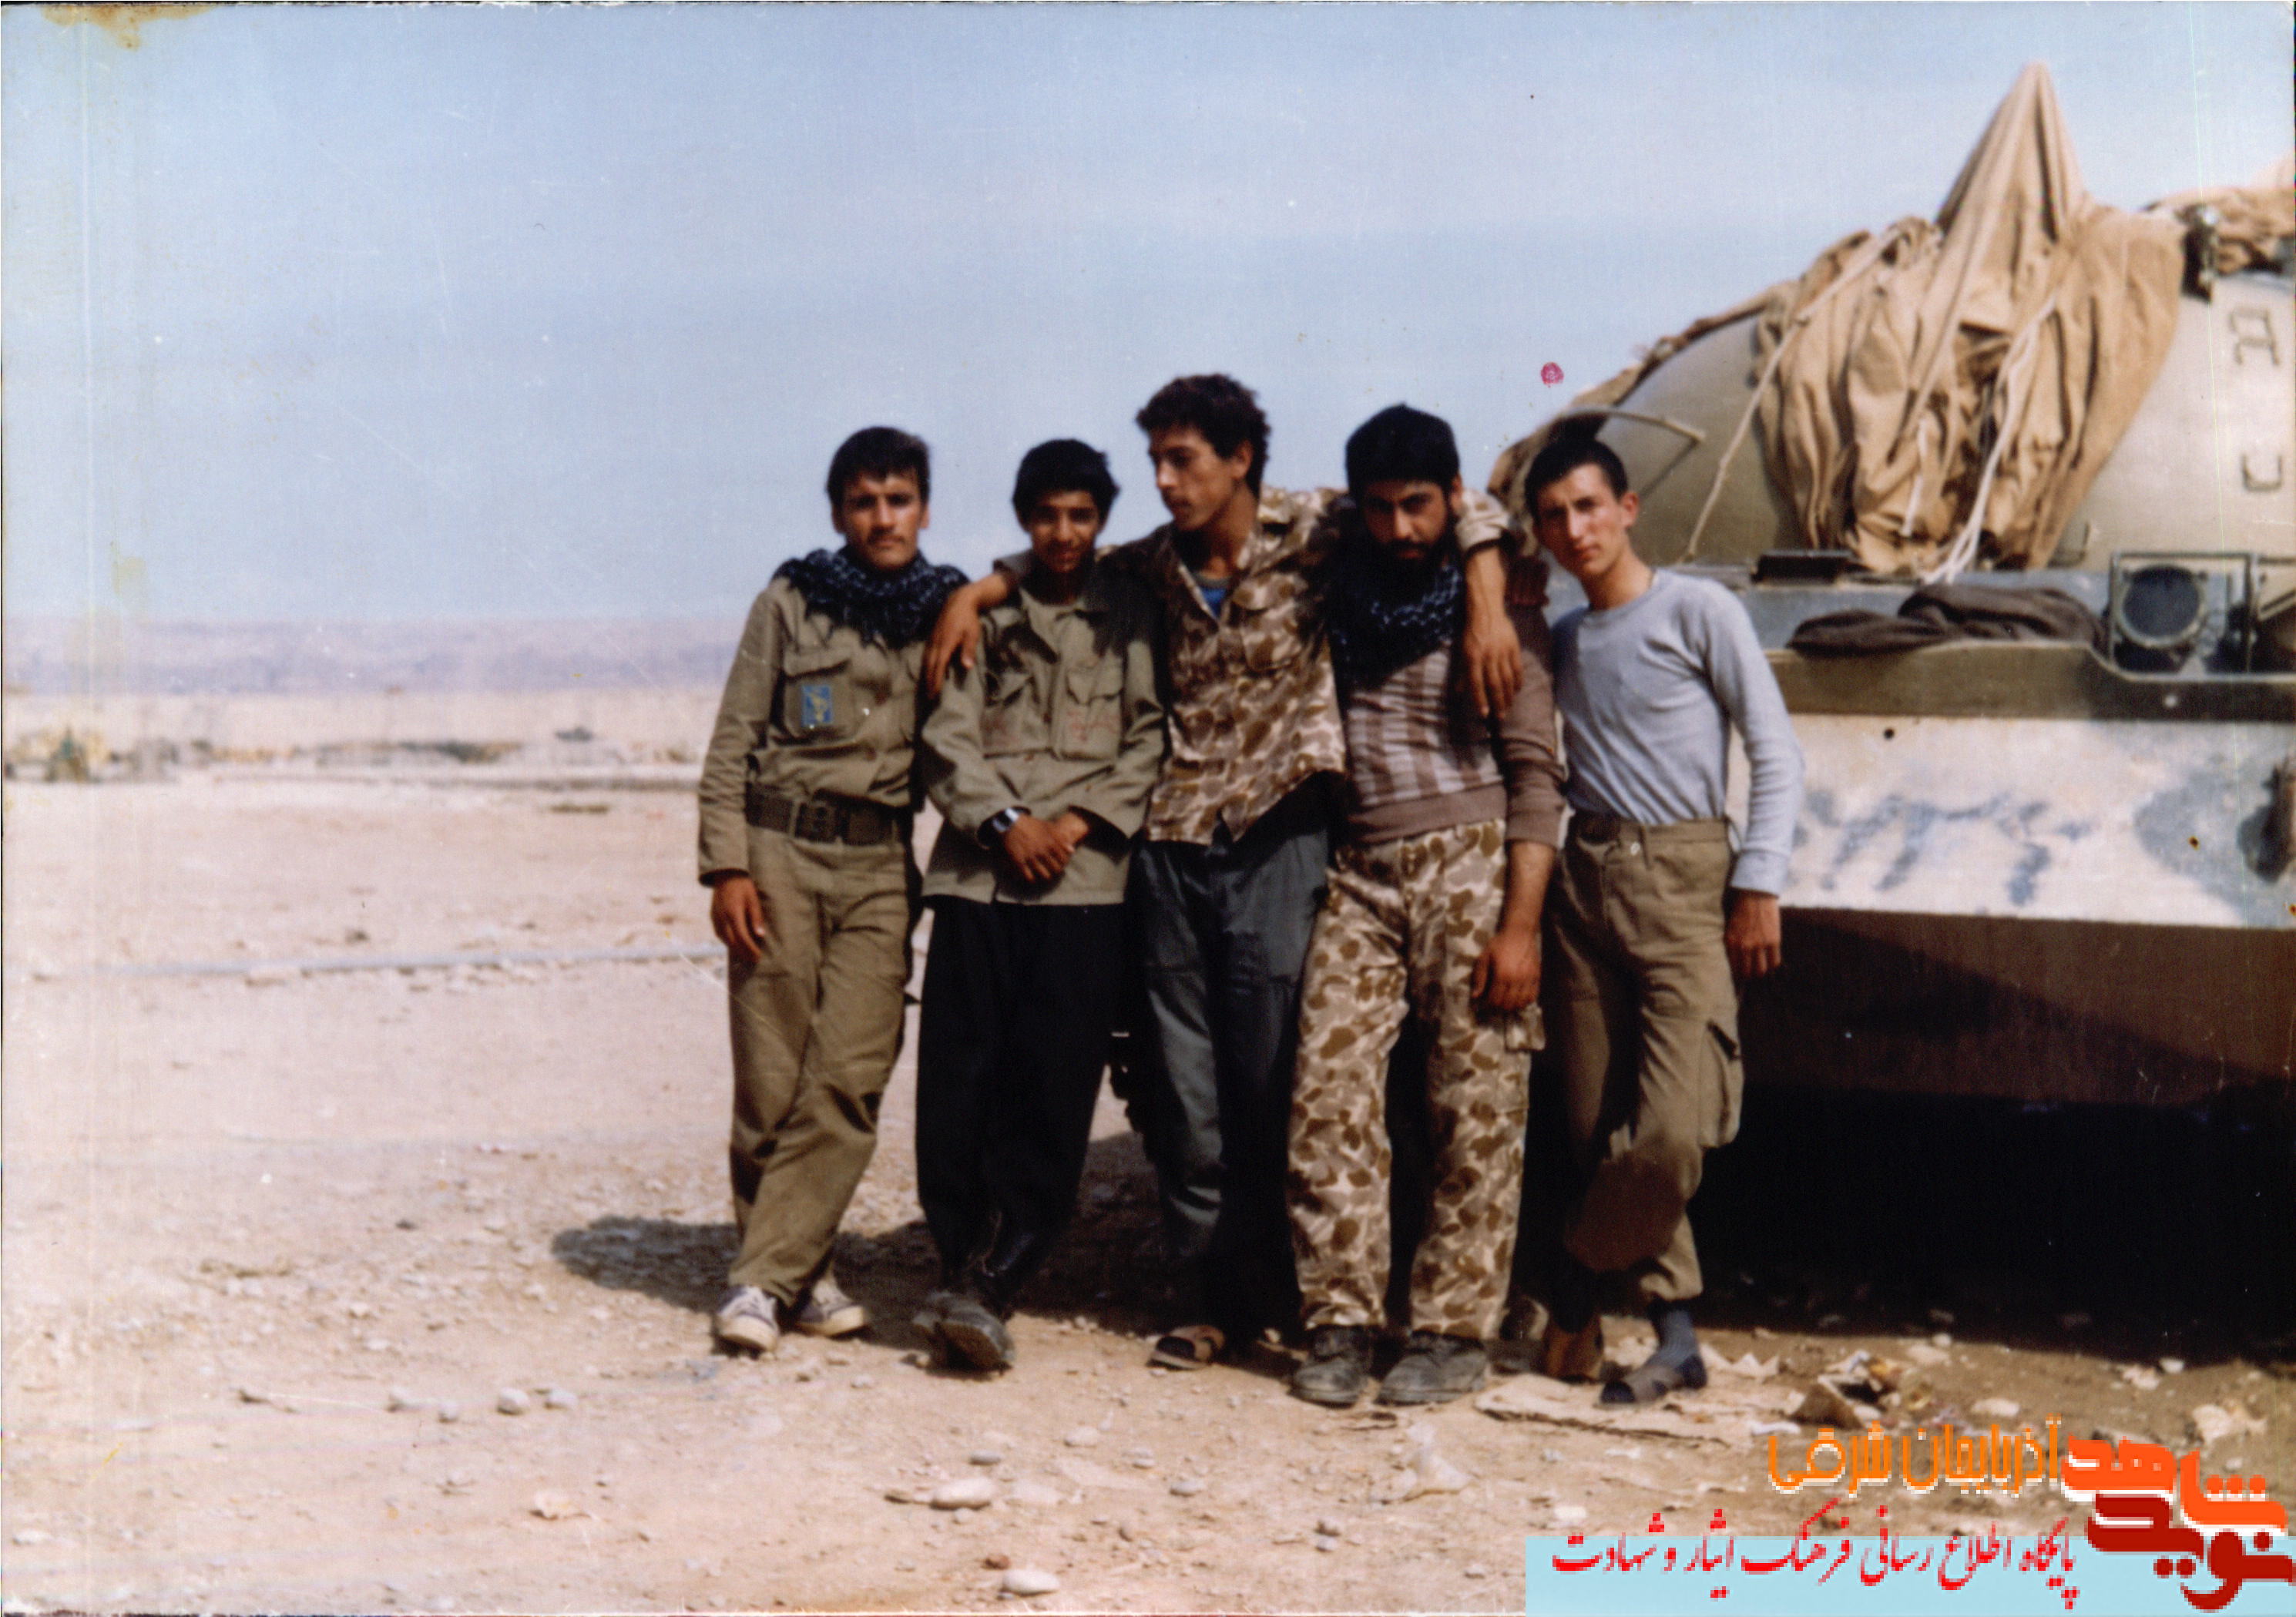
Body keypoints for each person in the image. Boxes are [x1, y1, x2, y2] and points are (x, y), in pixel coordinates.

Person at [928, 375, 1526, 1368]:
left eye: (1183, 459)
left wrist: (1489, 605)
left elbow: (1467, 507)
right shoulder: (1152, 563)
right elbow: (1063, 558)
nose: (1164, 481)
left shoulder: (1321, 528)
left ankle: (1304, 1294)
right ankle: (1211, 1294)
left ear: (1240, 457)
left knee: (1280, 1074)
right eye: (1156, 461)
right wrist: (977, 589)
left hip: (1278, 833)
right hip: (1171, 843)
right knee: (1186, 1089)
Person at [1283, 405, 1566, 1407]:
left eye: (1418, 505)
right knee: (1328, 1095)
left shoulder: (1502, 610)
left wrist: (1519, 927)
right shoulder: (1338, 587)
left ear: (1453, 499)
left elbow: (1536, 777)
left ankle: (1451, 1328)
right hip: (1361, 867)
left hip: (1472, 863)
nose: (1399, 529)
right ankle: (1340, 1320)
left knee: (1476, 1104)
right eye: (1380, 508)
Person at [1522, 431, 1803, 1404]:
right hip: (1584, 882)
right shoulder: (1564, 639)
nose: (1574, 529)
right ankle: (1675, 1338)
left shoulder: (1698, 608)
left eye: (1588, 506)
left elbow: (1775, 748)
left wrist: (1758, 882)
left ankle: (1567, 1282)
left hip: (1686, 880)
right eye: (1553, 516)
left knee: (1670, 1133)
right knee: (1595, 1127)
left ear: (1627, 508)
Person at [695, 426, 965, 1357]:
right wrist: (726, 866)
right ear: (839, 512)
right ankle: (789, 1275)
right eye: (863, 502)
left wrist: (984, 594)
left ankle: (765, 1277)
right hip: (779, 851)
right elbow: (732, 741)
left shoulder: (949, 606)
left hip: (880, 863)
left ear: (924, 507)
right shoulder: (791, 600)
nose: (882, 518)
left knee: (849, 1075)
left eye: (899, 499)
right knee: (772, 1079)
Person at [910, 439, 1166, 1371]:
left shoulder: (1134, 610)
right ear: (1024, 517)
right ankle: (955, 1257)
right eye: (1047, 515)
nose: (1063, 532)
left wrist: (1072, 823)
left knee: (1052, 1084)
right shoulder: (986, 612)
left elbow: (1148, 737)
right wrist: (1006, 823)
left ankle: (1002, 1273)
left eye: (1081, 515)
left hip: (1082, 884)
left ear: (1102, 520)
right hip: (981, 875)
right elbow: (946, 737)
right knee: (958, 1078)